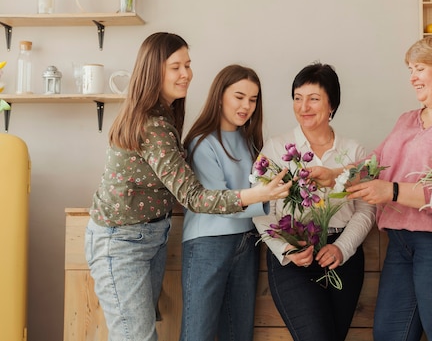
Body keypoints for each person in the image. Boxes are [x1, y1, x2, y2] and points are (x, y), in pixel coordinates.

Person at [85, 33, 289, 341]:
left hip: (151, 236)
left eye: (188, 65)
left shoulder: (165, 116)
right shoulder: (152, 124)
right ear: (153, 70)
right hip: (121, 239)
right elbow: (192, 196)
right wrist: (257, 196)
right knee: (136, 337)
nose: (186, 75)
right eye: (176, 67)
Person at [310, 35, 432, 341]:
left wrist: (392, 191)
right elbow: (375, 164)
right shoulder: (407, 120)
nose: (412, 77)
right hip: (402, 243)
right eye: (410, 69)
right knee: (389, 334)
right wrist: (335, 176)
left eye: (419, 68)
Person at [253, 62, 376, 341]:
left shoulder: (353, 151)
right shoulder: (275, 147)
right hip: (294, 254)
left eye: (313, 99)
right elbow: (260, 209)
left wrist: (342, 248)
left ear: (331, 104)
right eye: (298, 98)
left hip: (342, 257)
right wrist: (285, 249)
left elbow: (366, 208)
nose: (303, 106)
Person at [179, 64, 266, 341]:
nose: (246, 106)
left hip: (247, 242)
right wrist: (265, 198)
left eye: (252, 100)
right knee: (198, 334)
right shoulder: (201, 142)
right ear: (220, 96)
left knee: (239, 334)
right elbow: (218, 201)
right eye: (239, 97)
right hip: (208, 244)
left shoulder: (250, 141)